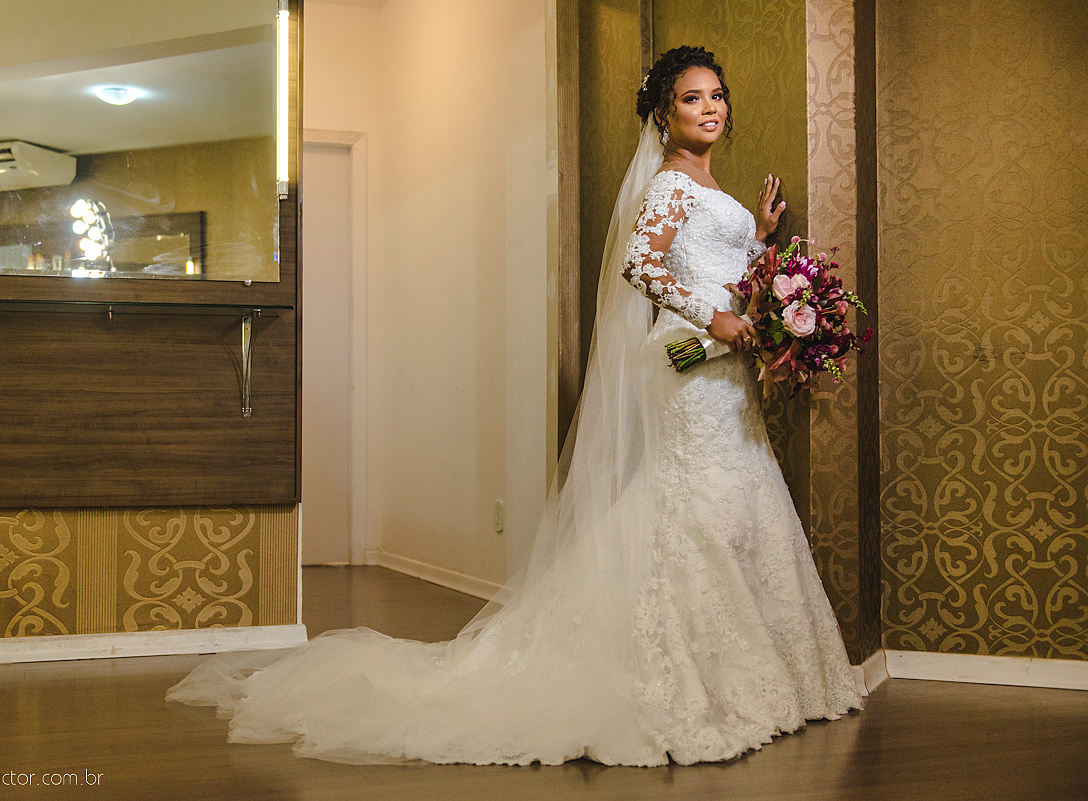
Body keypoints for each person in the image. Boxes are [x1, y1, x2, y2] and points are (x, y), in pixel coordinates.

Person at [168, 45, 865, 767]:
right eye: (693, 98)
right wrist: (713, 318)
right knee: (699, 511)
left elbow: (705, 261)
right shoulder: (667, 187)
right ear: (664, 114)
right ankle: (683, 680)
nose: (711, 107)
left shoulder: (706, 187)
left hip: (724, 374)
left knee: (733, 508)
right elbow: (642, 266)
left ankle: (748, 675)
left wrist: (758, 240)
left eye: (717, 94)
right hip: (688, 370)